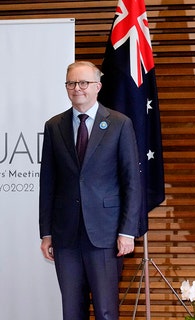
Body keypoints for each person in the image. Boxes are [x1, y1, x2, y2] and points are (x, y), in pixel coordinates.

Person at [39, 61, 142, 320]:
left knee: (106, 311)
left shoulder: (119, 124)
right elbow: (48, 183)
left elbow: (131, 181)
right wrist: (47, 233)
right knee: (72, 311)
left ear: (97, 86)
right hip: (66, 236)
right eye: (72, 83)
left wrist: (127, 231)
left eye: (83, 83)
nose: (77, 89)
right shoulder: (54, 126)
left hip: (106, 235)